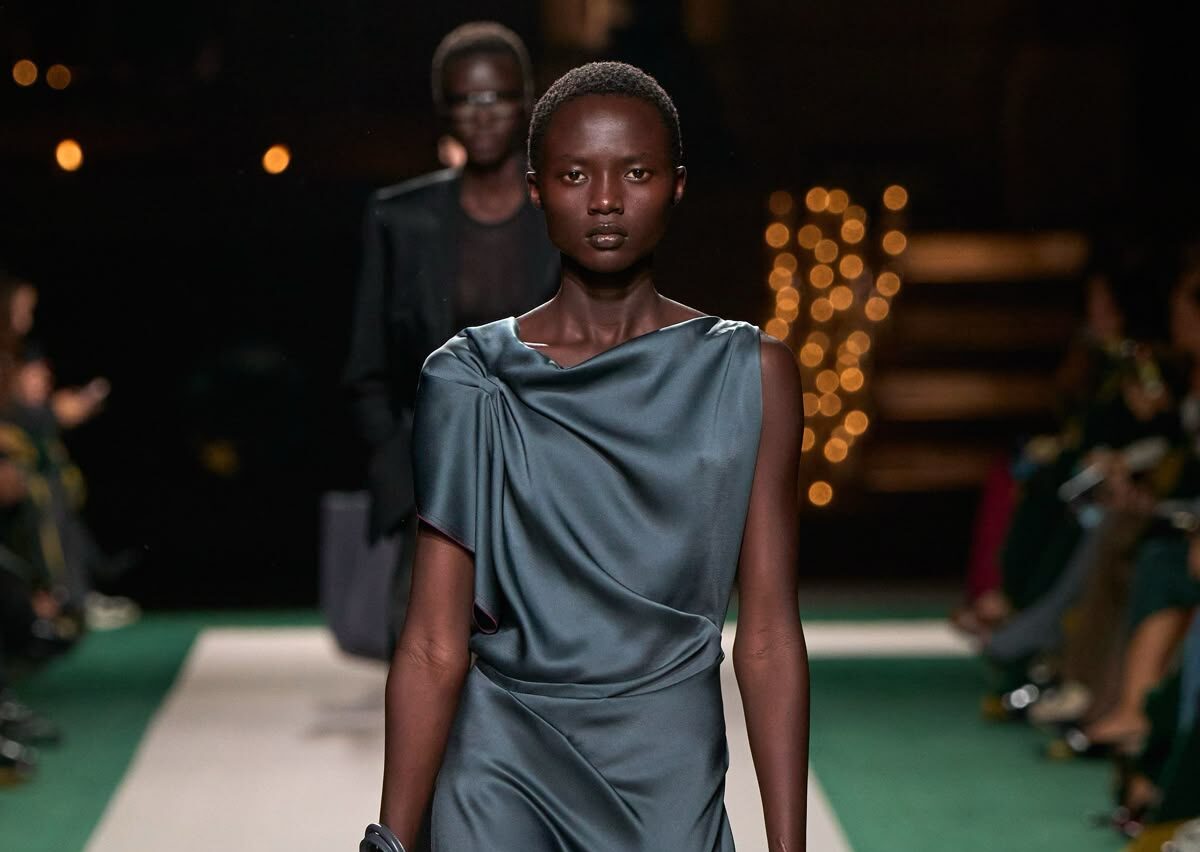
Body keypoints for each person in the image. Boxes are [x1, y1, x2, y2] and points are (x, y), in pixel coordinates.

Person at [368, 62, 809, 851]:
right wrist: (390, 844)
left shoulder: (749, 374)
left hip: (667, 772)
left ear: (677, 185)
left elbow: (770, 636)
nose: (606, 200)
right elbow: (434, 640)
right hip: (499, 769)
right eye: (575, 175)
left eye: (635, 173)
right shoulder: (470, 378)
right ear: (537, 188)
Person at [343, 22, 559, 647]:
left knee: (547, 666)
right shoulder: (400, 218)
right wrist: (402, 473)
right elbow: (366, 365)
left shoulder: (564, 214)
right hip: (435, 487)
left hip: (551, 482)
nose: (482, 113)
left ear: (526, 102)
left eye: (497, 97)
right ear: (444, 109)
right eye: (465, 99)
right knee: (427, 665)